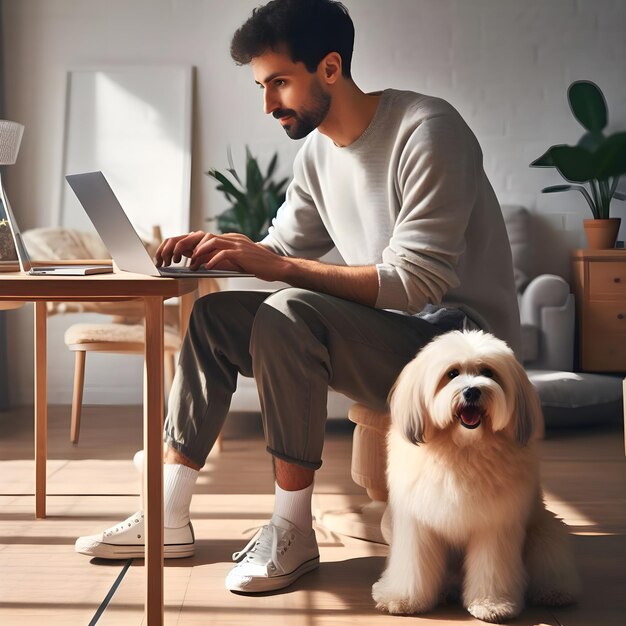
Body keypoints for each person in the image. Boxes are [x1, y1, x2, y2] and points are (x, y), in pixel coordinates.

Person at [75, 0, 521, 594]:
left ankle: (293, 529)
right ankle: (168, 513)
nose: (268, 104)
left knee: (288, 312)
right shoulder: (316, 154)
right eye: (263, 86)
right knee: (213, 317)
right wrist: (219, 250)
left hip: (456, 345)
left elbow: (416, 283)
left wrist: (277, 263)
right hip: (392, 334)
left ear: (330, 68)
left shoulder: (428, 131)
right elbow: (281, 246)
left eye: (279, 83)